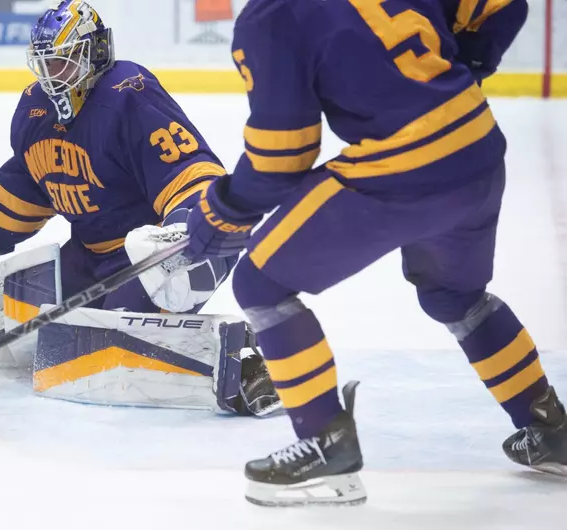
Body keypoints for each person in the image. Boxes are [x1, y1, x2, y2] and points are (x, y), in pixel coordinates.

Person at [184, 0, 566, 506]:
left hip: (405, 171)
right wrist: (463, 70)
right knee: (455, 296)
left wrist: (223, 208)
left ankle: (326, 450)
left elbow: (282, 156)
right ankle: (552, 431)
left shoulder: (270, 15)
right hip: (476, 147)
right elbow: (499, 4)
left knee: (260, 282)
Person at [0, 0, 279, 417]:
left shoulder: (128, 94)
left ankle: (249, 366)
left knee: (110, 345)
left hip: (151, 257)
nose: (54, 79)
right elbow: (28, 182)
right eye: (47, 65)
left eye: (65, 64)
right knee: (47, 344)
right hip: (89, 256)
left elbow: (190, 172)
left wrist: (183, 231)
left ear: (96, 53)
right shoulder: (34, 109)